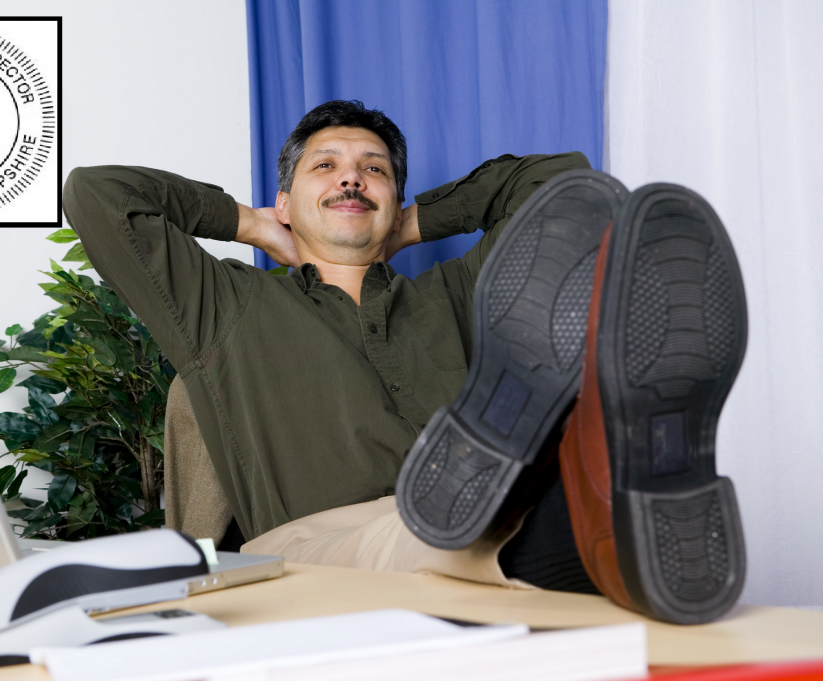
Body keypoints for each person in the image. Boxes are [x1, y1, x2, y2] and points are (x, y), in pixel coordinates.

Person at [64, 100, 747, 624]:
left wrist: (413, 222)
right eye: (324, 166)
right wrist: (245, 222)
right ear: (285, 201)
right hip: (320, 546)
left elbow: (567, 186)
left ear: (393, 202)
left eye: (375, 171)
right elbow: (99, 195)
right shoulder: (224, 304)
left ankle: (622, 473)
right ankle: (611, 478)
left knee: (522, 514)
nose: (352, 177)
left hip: (494, 514)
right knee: (444, 529)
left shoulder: (454, 295)